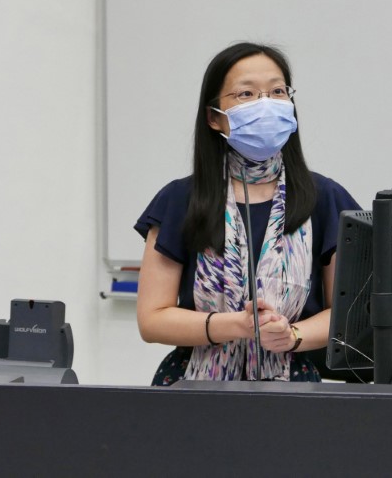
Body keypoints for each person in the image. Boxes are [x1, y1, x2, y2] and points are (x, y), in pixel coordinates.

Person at [134, 42, 360, 385]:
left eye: (277, 91)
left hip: (292, 387)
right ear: (214, 117)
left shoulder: (325, 198)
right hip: (192, 386)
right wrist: (236, 326)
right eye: (246, 94)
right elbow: (152, 319)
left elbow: (350, 315)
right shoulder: (180, 199)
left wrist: (291, 335)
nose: (265, 104)